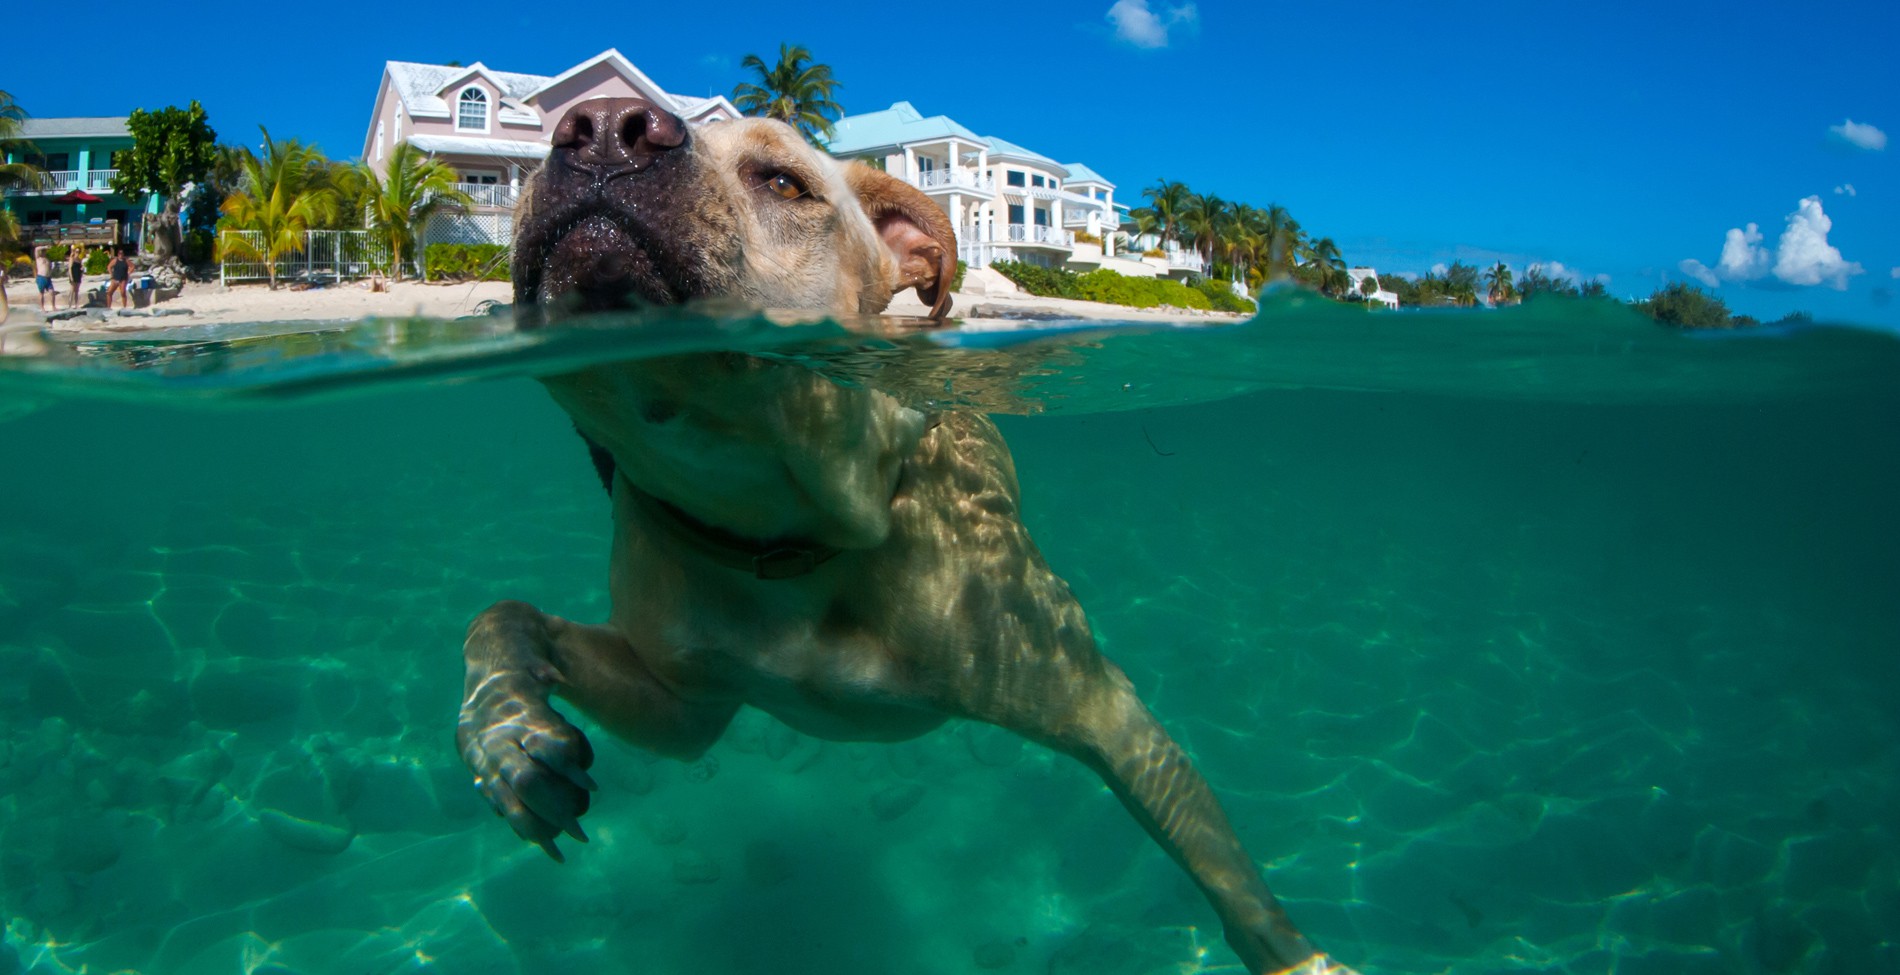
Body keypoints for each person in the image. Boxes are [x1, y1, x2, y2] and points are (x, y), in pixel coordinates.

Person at [35, 245, 57, 312]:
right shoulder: (38, 259)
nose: (44, 252)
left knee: (52, 292)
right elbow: (36, 248)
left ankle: (53, 307)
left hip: (48, 278)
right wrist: (45, 247)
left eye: (44, 251)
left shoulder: (47, 259)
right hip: (41, 277)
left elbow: (49, 268)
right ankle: (42, 308)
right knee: (41, 293)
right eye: (43, 251)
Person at [68, 243, 86, 308]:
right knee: (72, 290)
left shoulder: (79, 259)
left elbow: (81, 268)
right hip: (73, 275)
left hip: (78, 275)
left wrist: (82, 271)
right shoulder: (72, 258)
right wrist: (71, 277)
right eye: (76, 251)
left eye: (78, 252)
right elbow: (70, 268)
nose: (77, 253)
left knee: (77, 291)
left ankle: (76, 304)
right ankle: (69, 304)